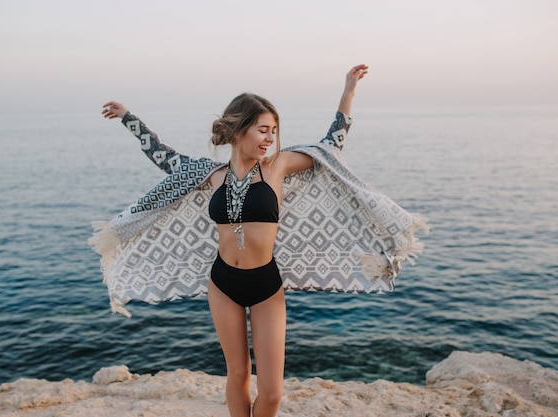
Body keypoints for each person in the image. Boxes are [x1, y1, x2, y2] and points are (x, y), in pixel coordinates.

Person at [92, 64, 427, 417]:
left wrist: (348, 92)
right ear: (239, 130)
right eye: (262, 130)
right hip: (222, 283)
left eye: (274, 131)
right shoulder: (211, 175)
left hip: (266, 284)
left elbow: (330, 146)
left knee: (271, 392)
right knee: (236, 376)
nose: (270, 138)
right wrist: (128, 117)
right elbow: (162, 155)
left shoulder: (278, 166)